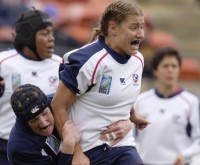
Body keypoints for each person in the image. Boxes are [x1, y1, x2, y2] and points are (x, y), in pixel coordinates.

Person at [51, 0, 148, 164]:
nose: (141, 34)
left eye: (142, 27)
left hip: (122, 146)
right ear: (113, 28)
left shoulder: (138, 60)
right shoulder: (87, 62)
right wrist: (76, 152)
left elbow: (121, 88)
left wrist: (132, 115)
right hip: (89, 151)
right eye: (134, 27)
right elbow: (58, 106)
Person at [0, 9, 61, 164]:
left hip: (45, 149)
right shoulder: (3, 62)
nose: (51, 39)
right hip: (4, 147)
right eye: (45, 33)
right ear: (28, 36)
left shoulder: (61, 64)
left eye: (52, 33)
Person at [134, 47, 200, 165]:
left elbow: (198, 140)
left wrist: (185, 155)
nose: (170, 70)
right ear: (155, 70)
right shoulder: (140, 101)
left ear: (179, 70)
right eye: (165, 66)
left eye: (174, 66)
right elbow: (131, 137)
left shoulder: (192, 102)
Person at [7, 84, 81, 165]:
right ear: (26, 123)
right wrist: (67, 148)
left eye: (45, 113)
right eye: (34, 120)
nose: (44, 123)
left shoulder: (56, 104)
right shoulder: (20, 148)